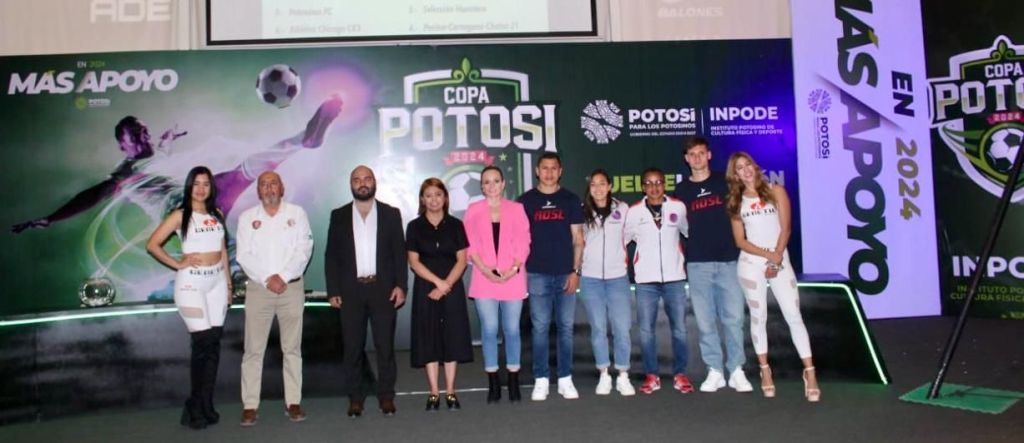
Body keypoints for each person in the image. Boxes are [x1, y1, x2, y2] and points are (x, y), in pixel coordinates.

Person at [725, 151, 820, 402]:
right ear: (735, 175)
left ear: (755, 166)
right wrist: (767, 256)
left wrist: (776, 258)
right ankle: (765, 370)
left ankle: (810, 372)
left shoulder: (776, 191)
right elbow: (740, 241)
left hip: (780, 258)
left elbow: (786, 228)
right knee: (759, 317)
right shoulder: (736, 202)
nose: (745, 170)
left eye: (747, 164)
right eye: (739, 168)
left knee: (793, 315)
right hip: (751, 263)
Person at [145, 166, 230, 430]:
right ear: (189, 186)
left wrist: (228, 283)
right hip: (192, 284)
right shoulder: (180, 215)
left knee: (213, 346)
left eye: (206, 184)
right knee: (202, 345)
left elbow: (222, 250)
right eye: (196, 184)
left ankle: (206, 404)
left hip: (217, 283)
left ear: (211, 187)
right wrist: (177, 263)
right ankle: (194, 407)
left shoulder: (217, 214)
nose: (201, 189)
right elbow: (152, 244)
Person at [325, 165, 407, 417]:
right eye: (357, 180)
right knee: (352, 348)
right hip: (350, 291)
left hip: (383, 290)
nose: (362, 183)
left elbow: (399, 254)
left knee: (385, 347)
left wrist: (401, 286)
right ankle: (355, 398)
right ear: (351, 185)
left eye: (367, 179)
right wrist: (333, 289)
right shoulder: (339, 215)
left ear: (374, 182)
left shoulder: (390, 214)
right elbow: (331, 256)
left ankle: (386, 396)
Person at [674, 137, 753, 393]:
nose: (697, 158)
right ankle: (715, 370)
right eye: (692, 154)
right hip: (698, 264)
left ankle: (736, 369)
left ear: (709, 155)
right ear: (686, 159)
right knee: (706, 321)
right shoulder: (681, 192)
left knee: (733, 319)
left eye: (701, 153)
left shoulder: (725, 182)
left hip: (729, 261)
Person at [235, 172, 314, 426]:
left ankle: (293, 402)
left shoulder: (297, 214)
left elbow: (304, 249)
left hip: (291, 288)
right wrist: (268, 278)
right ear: (258, 191)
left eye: (273, 184)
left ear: (282, 188)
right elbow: (243, 255)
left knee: (292, 348)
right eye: (264, 184)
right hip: (259, 289)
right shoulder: (247, 217)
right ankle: (250, 405)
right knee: (253, 350)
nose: (269, 188)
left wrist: (284, 276)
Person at [517, 152, 585, 401]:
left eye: (553, 168)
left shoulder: (570, 199)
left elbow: (578, 239)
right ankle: (541, 379)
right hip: (537, 274)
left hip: (566, 273)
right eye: (544, 168)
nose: (548, 173)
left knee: (565, 327)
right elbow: (518, 240)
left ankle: (565, 378)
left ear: (560, 171)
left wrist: (576, 271)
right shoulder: (525, 201)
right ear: (537, 171)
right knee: (540, 328)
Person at [463, 166, 531, 403]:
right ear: (481, 186)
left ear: (503, 184)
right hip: (483, 278)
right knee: (490, 329)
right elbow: (469, 244)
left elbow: (525, 241)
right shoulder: (473, 210)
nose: (491, 186)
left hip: (513, 277)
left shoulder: (517, 209)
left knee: (512, 330)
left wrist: (513, 269)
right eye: (486, 182)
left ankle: (513, 379)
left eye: (495, 181)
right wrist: (485, 270)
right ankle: (493, 381)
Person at [623, 167, 693, 395]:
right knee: (646, 331)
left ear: (665, 184)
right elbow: (622, 241)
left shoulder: (678, 207)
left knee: (680, 329)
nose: (654, 187)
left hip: (675, 279)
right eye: (649, 183)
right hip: (646, 281)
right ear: (642, 187)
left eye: (658, 182)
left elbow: (689, 233)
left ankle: (680, 374)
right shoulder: (634, 212)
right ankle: (651, 375)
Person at [406, 178, 474, 411]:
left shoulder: (456, 225)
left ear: (445, 197)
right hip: (426, 289)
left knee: (452, 338)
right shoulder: (414, 227)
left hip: (452, 288)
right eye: (428, 195)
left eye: (438, 194)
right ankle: (434, 392)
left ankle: (451, 391)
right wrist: (437, 283)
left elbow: (462, 260)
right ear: (422, 200)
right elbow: (414, 262)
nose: (433, 200)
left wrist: (446, 285)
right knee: (429, 339)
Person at [579, 169, 635, 396]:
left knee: (622, 328)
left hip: (617, 278)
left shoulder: (623, 209)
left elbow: (628, 236)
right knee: (599, 328)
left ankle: (623, 375)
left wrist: (615, 255)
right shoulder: (582, 211)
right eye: (593, 184)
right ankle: (604, 374)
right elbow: (578, 241)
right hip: (590, 278)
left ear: (610, 186)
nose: (598, 188)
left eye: (602, 183)